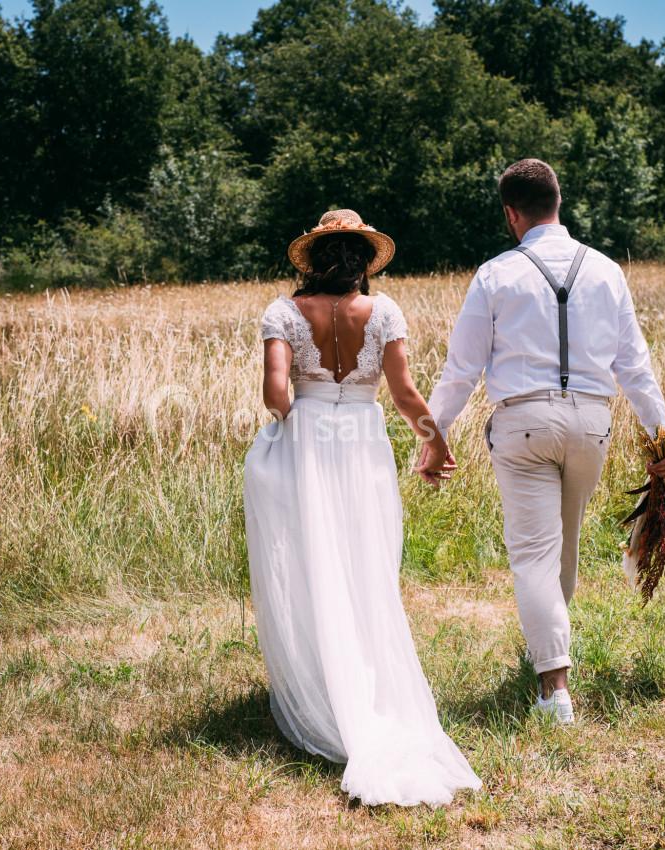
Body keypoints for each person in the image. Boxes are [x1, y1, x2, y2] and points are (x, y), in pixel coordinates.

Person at [423, 159, 665, 725]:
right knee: (563, 546)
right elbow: (635, 366)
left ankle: (554, 690)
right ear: (558, 201)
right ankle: (549, 650)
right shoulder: (607, 270)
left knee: (534, 554)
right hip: (592, 424)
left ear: (512, 214)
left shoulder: (494, 274)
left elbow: (462, 369)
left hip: (523, 424)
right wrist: (662, 437)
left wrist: (432, 432)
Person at [243, 209, 482, 806]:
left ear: (315, 257)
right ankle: (370, 685)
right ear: (362, 259)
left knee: (311, 563)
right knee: (366, 565)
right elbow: (403, 391)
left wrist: (300, 397)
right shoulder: (386, 312)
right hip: (364, 443)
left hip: (308, 445)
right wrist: (434, 439)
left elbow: (276, 395)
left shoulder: (283, 312)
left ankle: (324, 687)